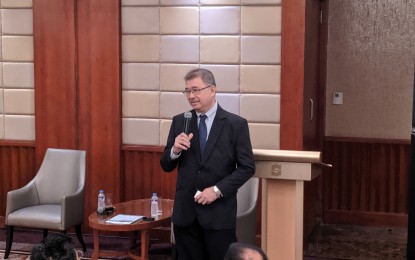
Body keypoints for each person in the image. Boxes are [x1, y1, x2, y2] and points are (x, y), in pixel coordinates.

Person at [160, 68, 256, 259]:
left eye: (196, 90)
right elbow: (166, 165)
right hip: (185, 214)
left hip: (218, 215)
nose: (191, 96)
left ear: (212, 89)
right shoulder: (181, 121)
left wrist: (217, 190)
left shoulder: (235, 124)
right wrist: (175, 151)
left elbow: (247, 167)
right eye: (187, 91)